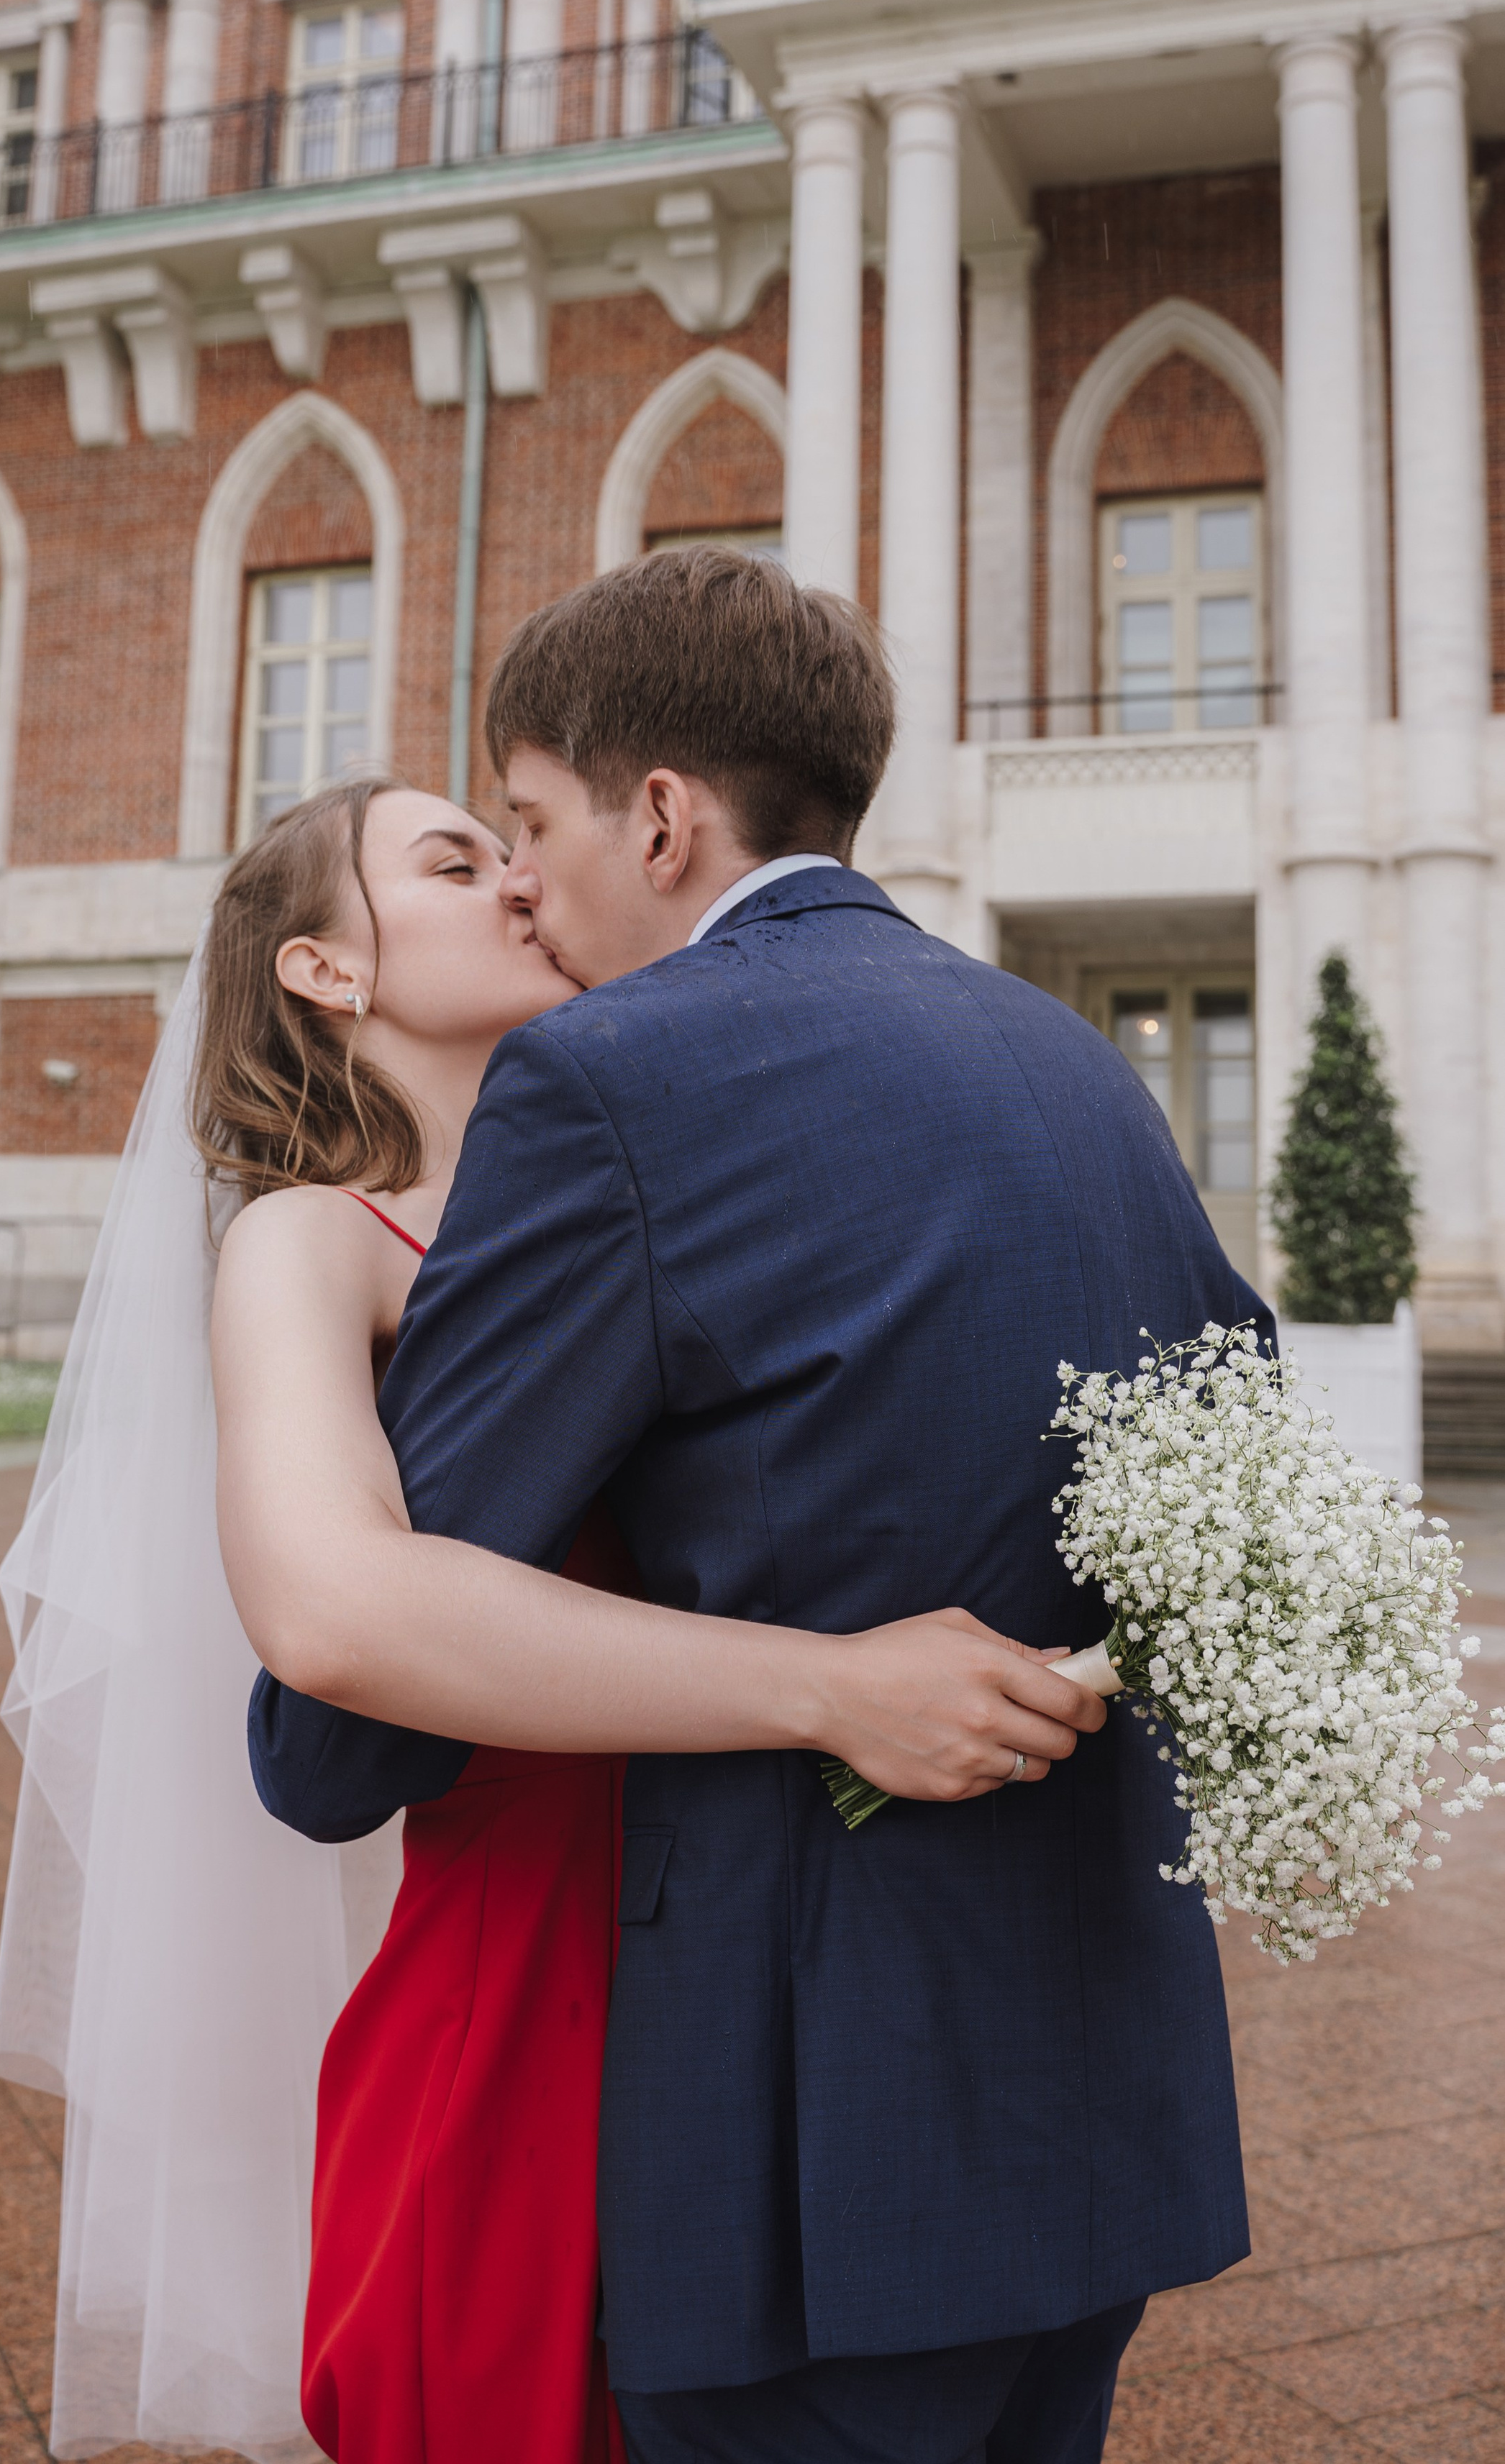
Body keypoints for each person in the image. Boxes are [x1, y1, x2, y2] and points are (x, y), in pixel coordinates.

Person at [237, 546, 1268, 2464]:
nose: (525, 878)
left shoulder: (617, 1084)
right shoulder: (1078, 1066)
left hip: (809, 2155)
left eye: (528, 821)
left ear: (660, 814)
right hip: (1094, 2112)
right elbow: (1232, 1477)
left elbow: (336, 1738)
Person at [0, 744, 1102, 2462]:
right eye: (453, 862)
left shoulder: (647, 1180)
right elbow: (333, 1617)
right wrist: (827, 1687)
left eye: (509, 847)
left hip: (763, 1953)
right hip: (521, 1981)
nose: (518, 878)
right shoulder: (312, 1241)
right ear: (323, 968)